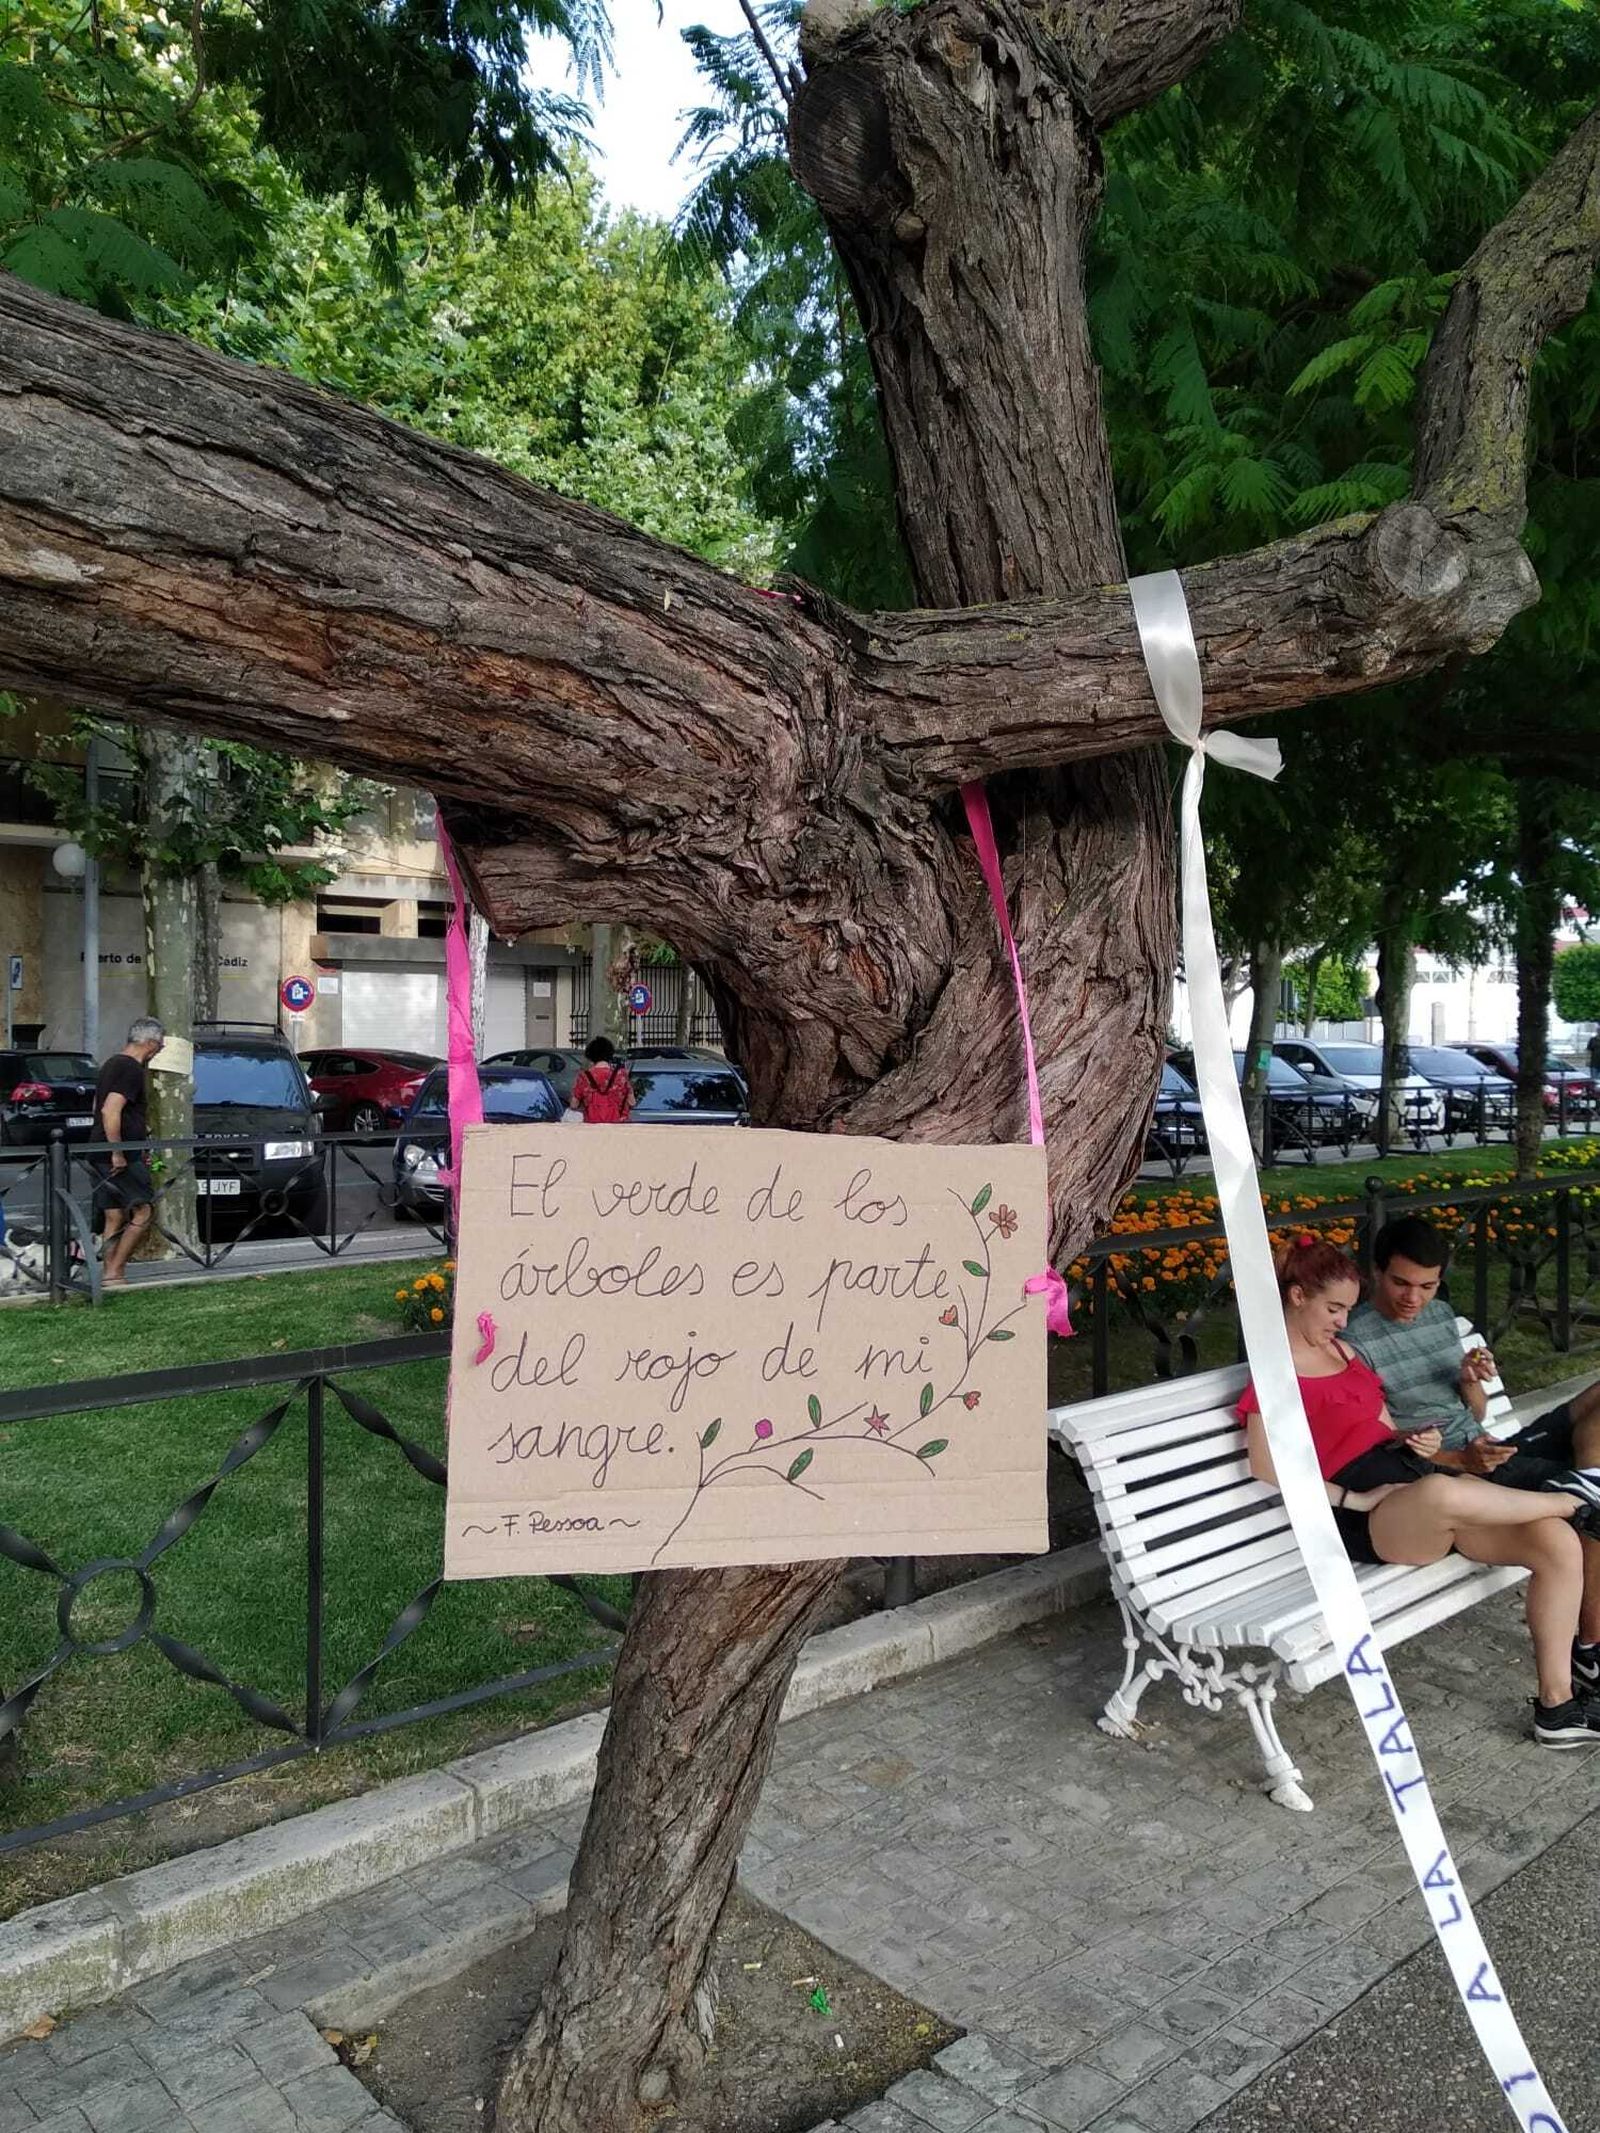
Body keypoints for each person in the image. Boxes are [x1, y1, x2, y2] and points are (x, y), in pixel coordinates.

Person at [1239, 1234, 1600, 1745]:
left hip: (1411, 1482)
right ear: (1297, 1298)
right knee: (1443, 1494)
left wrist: (1412, 1439)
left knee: (1555, 1541)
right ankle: (1577, 1498)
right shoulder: (1274, 1373)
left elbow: (1380, 1425)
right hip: (1365, 1517)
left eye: (1345, 1310)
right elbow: (1265, 1464)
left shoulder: (1342, 1352)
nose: (1344, 1321)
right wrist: (1352, 1499)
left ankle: (1557, 1707)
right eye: (1334, 1309)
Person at [1343, 1214, 1600, 1688]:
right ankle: (1591, 1647)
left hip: (1490, 1448)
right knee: (1589, 1515)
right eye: (1401, 1283)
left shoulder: (1439, 1316)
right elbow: (1386, 1444)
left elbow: (1475, 1413)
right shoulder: (1355, 1340)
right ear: (1376, 1272)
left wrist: (1468, 1378)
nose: (1413, 1298)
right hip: (1452, 1471)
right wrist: (1461, 1460)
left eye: (1427, 1285)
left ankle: (1587, 1483)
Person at [92, 1016, 165, 1287]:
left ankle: (107, 1274)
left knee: (113, 1213)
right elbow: (110, 1109)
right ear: (149, 1043)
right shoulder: (131, 1069)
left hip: (97, 1147)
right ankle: (115, 1270)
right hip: (121, 1151)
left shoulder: (110, 1063)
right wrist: (118, 1151)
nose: (159, 1051)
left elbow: (96, 1106)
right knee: (143, 1211)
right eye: (159, 1046)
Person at [570, 1036, 634, 1123]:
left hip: (592, 1128)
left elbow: (574, 1104)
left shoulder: (584, 1077)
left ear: (591, 1055)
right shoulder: (621, 1076)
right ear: (610, 1053)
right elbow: (632, 1102)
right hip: (617, 1127)